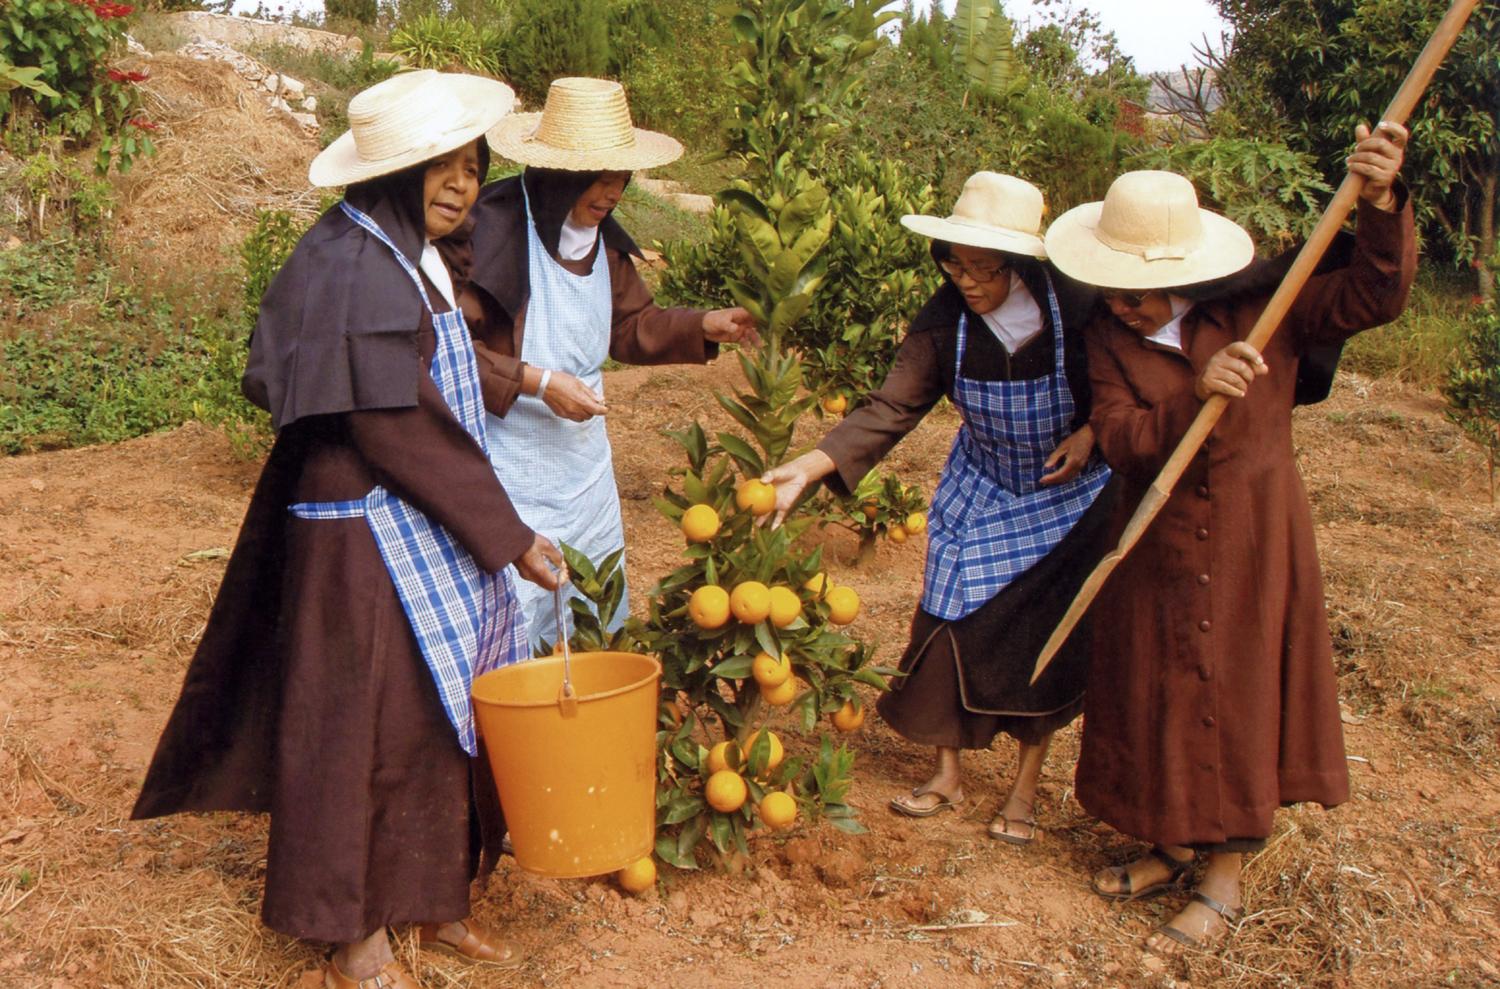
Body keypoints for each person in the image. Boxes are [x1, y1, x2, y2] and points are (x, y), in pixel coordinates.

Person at [132, 71, 563, 989]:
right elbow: (390, 419)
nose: (459, 180)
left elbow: (436, 371)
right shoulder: (348, 263)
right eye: (434, 165)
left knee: (434, 712)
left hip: (417, 515)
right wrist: (511, 533)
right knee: (352, 725)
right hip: (357, 531)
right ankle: (350, 934)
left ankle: (432, 896)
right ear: (385, 175)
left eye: (469, 162)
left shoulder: (410, 255)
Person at [1042, 122, 1415, 952]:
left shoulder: (1263, 310)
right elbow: (1121, 435)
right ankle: (1169, 844)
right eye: (1111, 289)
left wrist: (1384, 200)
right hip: (1155, 540)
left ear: (1184, 276)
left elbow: (1375, 294)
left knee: (1238, 694)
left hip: (1254, 534)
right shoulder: (1106, 337)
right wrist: (1193, 395)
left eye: (1137, 293)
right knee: (1156, 691)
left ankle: (1225, 873)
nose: (1122, 304)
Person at [763, 172, 1115, 842]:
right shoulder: (946, 320)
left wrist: (1095, 431)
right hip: (983, 478)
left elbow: (1120, 382)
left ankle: (1024, 789)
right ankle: (946, 769)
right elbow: (893, 403)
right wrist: (809, 468)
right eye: (957, 266)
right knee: (946, 614)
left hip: (1067, 492)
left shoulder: (1075, 306)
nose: (970, 282)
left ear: (1017, 264)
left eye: (985, 269)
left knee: (1043, 637)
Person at [462, 76, 757, 643]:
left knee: (589, 611)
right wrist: (538, 382)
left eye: (620, 177)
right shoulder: (489, 230)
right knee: (511, 623)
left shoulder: (602, 241)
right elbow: (445, 349)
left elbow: (628, 325)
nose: (611, 192)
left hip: (583, 470)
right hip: (507, 465)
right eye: (597, 178)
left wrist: (702, 324)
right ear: (556, 174)